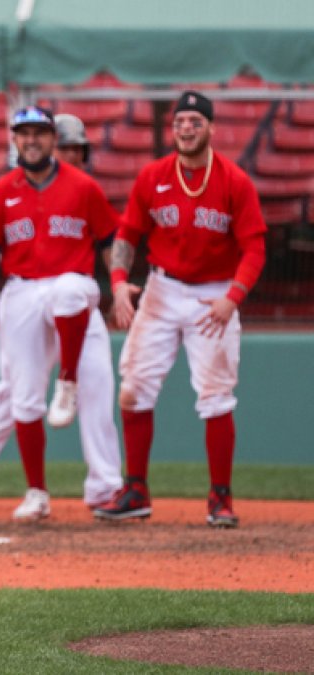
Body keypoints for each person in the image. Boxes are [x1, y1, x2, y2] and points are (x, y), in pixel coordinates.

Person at [94, 91, 266, 528]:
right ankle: (136, 490)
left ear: (210, 128)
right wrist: (117, 286)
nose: (186, 128)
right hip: (162, 289)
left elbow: (255, 247)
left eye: (194, 121)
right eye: (180, 122)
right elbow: (127, 236)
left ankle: (220, 497)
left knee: (216, 396)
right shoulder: (152, 176)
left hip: (215, 294)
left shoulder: (233, 180)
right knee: (134, 386)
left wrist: (234, 297)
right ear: (172, 130)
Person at [0, 112, 121, 510]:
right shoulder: (2, 191)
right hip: (23, 291)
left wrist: (122, 285)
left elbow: (112, 240)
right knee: (19, 393)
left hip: (71, 295)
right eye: (23, 134)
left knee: (96, 382)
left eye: (39, 133)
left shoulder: (84, 188)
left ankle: (105, 485)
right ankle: (14, 484)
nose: (31, 140)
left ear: (52, 139)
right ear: (16, 140)